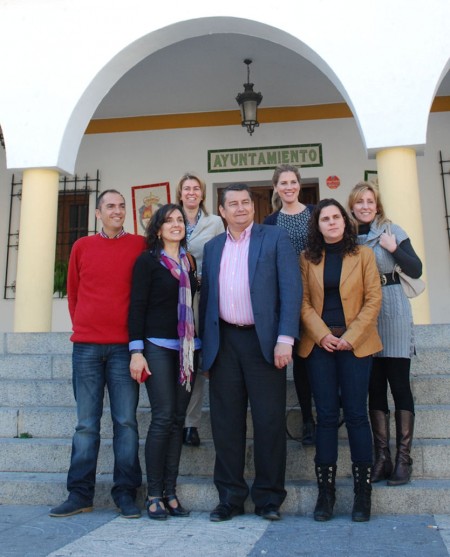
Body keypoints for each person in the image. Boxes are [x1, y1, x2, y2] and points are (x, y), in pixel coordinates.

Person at [200, 183, 302, 522]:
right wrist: (205, 352)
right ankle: (229, 497)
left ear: (253, 208)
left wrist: (285, 339)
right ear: (222, 211)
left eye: (246, 202)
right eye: (233, 203)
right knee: (225, 424)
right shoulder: (213, 248)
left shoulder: (274, 239)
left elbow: (291, 290)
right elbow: (206, 303)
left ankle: (269, 499)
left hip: (265, 343)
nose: (241, 208)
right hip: (224, 344)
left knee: (269, 422)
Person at [49, 189, 145, 519]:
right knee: (86, 425)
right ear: (98, 213)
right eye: (110, 207)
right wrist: (87, 327)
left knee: (126, 423)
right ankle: (80, 494)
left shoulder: (138, 246)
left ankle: (126, 493)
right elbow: (74, 294)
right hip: (87, 347)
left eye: (121, 206)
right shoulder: (81, 247)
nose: (117, 211)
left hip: (124, 348)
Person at [298, 198, 382, 522]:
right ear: (317, 225)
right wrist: (323, 335)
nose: (331, 222)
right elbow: (303, 303)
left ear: (345, 222)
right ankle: (326, 494)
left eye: (336, 217)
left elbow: (374, 299)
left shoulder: (364, 254)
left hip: (355, 345)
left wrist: (350, 336)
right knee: (327, 416)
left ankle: (363, 494)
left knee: (358, 414)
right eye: (325, 218)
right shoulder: (307, 258)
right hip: (320, 346)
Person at [128, 203, 200, 520]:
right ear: (158, 229)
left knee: (177, 419)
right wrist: (136, 350)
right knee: (162, 417)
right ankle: (153, 494)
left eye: (180, 220)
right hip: (156, 345)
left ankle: (171, 493)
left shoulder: (190, 262)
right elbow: (137, 307)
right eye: (168, 221)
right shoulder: (147, 262)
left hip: (187, 349)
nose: (175, 224)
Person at [348, 182, 422, 486]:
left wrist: (394, 250)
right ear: (351, 206)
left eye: (370, 201)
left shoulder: (392, 231)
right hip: (363, 312)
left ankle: (404, 458)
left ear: (377, 205)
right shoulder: (350, 237)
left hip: (392, 308)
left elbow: (415, 269)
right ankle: (383, 457)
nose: (365, 206)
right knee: (374, 387)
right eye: (359, 202)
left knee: (398, 383)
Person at [264, 163, 316, 445]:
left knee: (312, 360)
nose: (288, 187)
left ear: (299, 184)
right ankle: (306, 419)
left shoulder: (314, 214)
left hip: (316, 294)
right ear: (276, 188)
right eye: (283, 183)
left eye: (292, 182)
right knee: (296, 358)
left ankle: (319, 415)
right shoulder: (270, 222)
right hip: (285, 297)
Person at [176, 172, 225, 447]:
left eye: (196, 188)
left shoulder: (216, 222)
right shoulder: (170, 218)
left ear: (202, 194)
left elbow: (222, 255)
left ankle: (190, 424)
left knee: (195, 359)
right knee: (178, 358)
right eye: (187, 188)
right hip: (176, 298)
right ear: (180, 193)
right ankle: (175, 418)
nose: (192, 192)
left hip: (204, 298)